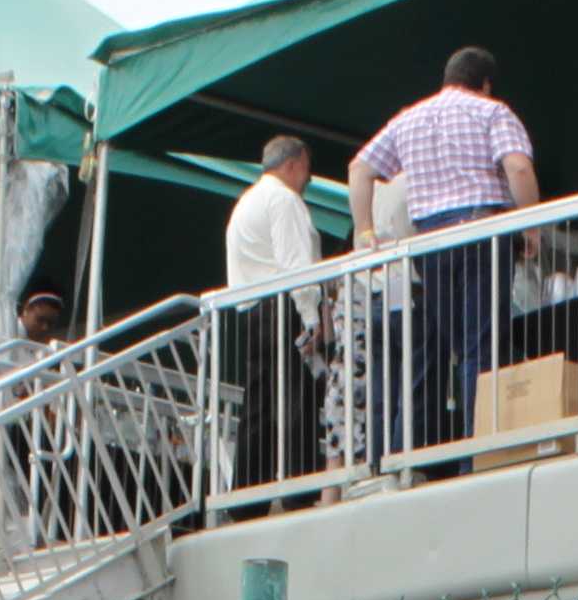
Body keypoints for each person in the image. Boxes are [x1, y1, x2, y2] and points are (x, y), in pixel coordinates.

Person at [346, 46, 537, 455]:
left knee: (455, 347)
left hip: (430, 242)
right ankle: (480, 450)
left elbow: (359, 169)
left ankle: (457, 449)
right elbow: (518, 168)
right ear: (485, 83)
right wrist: (530, 224)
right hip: (482, 231)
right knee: (481, 347)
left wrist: (365, 231)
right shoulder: (492, 112)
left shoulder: (408, 118)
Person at [226, 138, 326, 497]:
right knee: (296, 399)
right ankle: (301, 489)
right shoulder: (284, 200)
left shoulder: (246, 201)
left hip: (252, 310)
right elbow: (295, 263)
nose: (309, 177)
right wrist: (311, 318)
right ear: (294, 164)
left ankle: (246, 496)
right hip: (283, 306)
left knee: (259, 404)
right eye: (307, 167)